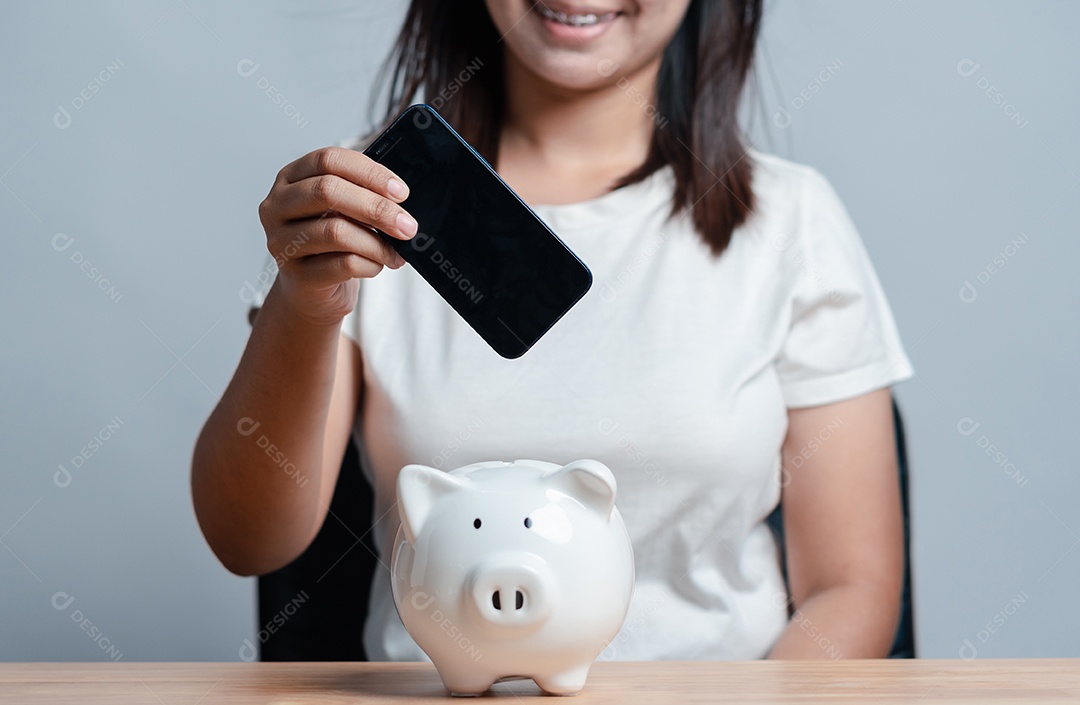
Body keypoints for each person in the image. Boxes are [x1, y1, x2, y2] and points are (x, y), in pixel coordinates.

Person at [193, 0, 914, 661]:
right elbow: (248, 541)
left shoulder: (791, 223)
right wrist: (305, 299)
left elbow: (851, 586)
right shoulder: (363, 203)